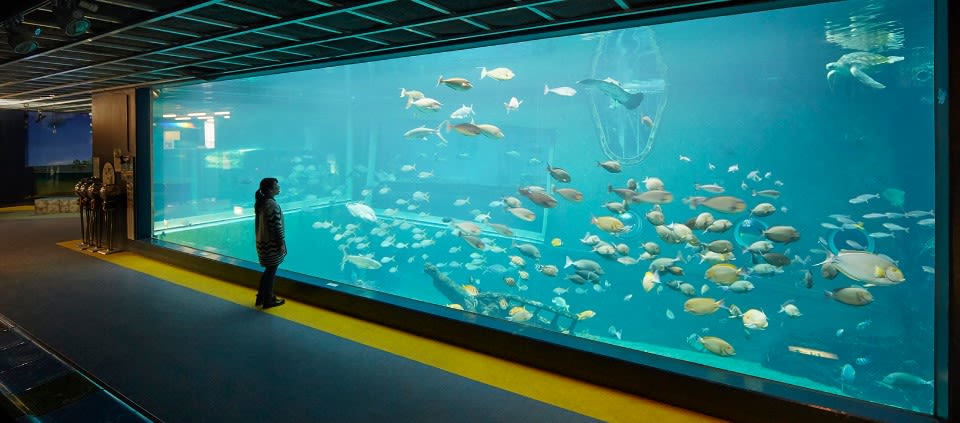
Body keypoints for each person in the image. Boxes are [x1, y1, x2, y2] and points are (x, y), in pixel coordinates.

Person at [254, 177, 286, 309]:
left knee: (268, 271)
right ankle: (268, 300)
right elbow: (276, 226)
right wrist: (281, 243)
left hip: (263, 243)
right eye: (276, 185)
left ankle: (261, 297)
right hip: (271, 244)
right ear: (270, 189)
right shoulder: (272, 204)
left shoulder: (261, 203)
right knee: (271, 272)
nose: (279, 187)